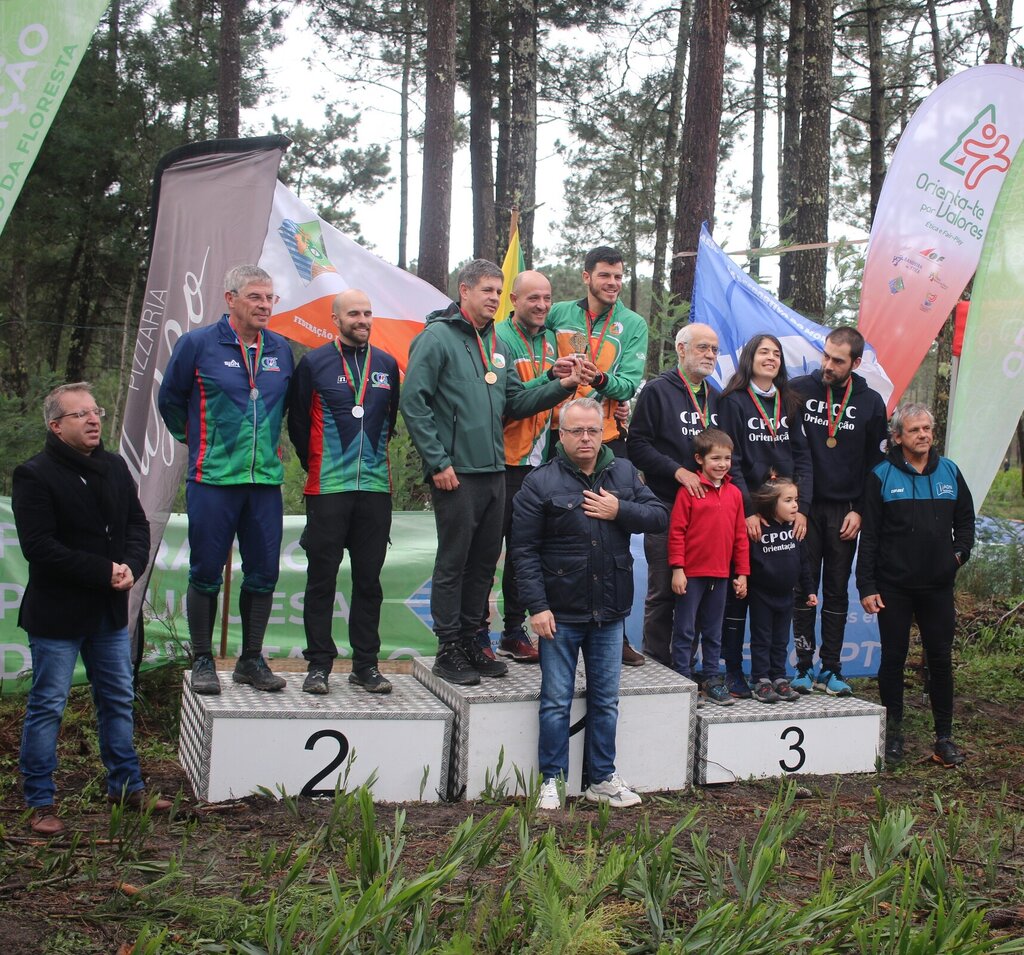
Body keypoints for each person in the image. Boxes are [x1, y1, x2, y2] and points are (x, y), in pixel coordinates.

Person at [400, 259, 585, 686]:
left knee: (484, 564)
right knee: (455, 562)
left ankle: (471, 640)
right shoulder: (436, 338)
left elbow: (515, 403)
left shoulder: (496, 344)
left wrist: (562, 387)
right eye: (487, 290)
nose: (494, 299)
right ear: (464, 290)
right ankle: (448, 647)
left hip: (494, 470)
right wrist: (437, 462)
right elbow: (414, 401)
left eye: (498, 292)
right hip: (456, 472)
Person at [13, 383, 171, 835]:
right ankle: (40, 801)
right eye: (80, 414)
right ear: (56, 426)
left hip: (107, 613)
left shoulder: (114, 466)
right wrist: (104, 570)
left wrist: (132, 566)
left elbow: (137, 525)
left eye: (95, 411)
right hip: (57, 615)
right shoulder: (34, 474)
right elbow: (39, 547)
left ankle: (126, 786)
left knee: (117, 699)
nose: (93, 419)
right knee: (49, 705)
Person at [510, 398, 668, 810]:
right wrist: (537, 607)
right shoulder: (539, 482)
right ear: (561, 435)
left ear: (603, 433)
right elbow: (523, 552)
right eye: (576, 431)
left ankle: (601, 779)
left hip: (610, 612)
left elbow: (658, 516)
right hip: (558, 614)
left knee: (606, 701)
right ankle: (551, 780)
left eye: (593, 431)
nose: (585, 438)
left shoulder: (624, 472)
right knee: (555, 702)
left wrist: (619, 509)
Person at [159, 265, 294, 695]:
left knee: (264, 573)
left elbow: (286, 406)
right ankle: (202, 659)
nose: (265, 305)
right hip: (213, 479)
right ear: (230, 299)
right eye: (256, 297)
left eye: (270, 298)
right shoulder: (197, 344)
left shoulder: (280, 348)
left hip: (264, 482)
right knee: (205, 571)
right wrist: (201, 441)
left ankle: (250, 660)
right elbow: (170, 401)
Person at [288, 289, 400, 694]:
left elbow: (390, 418)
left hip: (374, 489)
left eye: (368, 313)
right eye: (354, 313)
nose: (363, 320)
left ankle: (365, 665)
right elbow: (298, 425)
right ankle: (318, 664)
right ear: (335, 319)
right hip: (328, 488)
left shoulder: (386, 364)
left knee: (369, 582)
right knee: (321, 580)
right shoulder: (314, 363)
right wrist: (319, 464)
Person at [856, 404, 974, 768]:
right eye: (914, 430)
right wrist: (866, 585)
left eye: (927, 428)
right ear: (897, 437)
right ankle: (893, 735)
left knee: (940, 659)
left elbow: (966, 522)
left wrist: (957, 556)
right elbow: (869, 536)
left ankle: (944, 738)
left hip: (937, 587)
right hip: (894, 586)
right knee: (893, 659)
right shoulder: (880, 476)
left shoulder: (950, 471)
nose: (923, 435)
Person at [548, 245, 649, 665]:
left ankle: (616, 631)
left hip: (606, 440)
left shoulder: (633, 323)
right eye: (605, 275)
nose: (613, 283)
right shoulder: (558, 314)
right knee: (555, 534)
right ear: (586, 276)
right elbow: (534, 353)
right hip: (557, 437)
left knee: (612, 537)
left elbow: (629, 384)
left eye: (619, 276)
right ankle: (545, 626)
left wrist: (602, 379)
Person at [486, 269, 580, 663]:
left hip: (540, 462)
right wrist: (550, 380)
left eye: (546, 298)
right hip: (502, 461)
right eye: (532, 298)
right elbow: (509, 400)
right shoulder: (498, 338)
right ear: (513, 300)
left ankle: (512, 631)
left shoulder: (554, 339)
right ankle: (476, 634)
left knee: (526, 552)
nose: (541, 305)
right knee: (488, 553)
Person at [789, 327, 887, 696]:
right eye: (826, 355)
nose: (827, 365)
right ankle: (802, 666)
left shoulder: (871, 402)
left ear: (856, 363)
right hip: (804, 508)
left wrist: (860, 510)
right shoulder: (798, 389)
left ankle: (831, 668)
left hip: (845, 510)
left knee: (835, 590)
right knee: (803, 587)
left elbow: (876, 464)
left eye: (838, 360)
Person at [717, 333, 812, 698]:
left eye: (776, 353)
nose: (771, 358)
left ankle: (775, 674)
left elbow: (803, 457)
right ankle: (733, 671)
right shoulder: (733, 401)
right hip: (748, 516)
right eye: (763, 352)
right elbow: (732, 461)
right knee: (739, 594)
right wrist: (748, 510)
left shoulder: (791, 401)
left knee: (777, 598)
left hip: (784, 515)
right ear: (750, 359)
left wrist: (801, 508)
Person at [629, 322, 721, 665]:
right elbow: (637, 446)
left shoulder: (717, 397)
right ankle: (656, 664)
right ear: (681, 349)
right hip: (665, 505)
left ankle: (686, 666)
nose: (710, 355)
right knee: (665, 590)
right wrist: (676, 471)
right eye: (702, 347)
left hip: (706, 511)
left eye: (714, 349)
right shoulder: (657, 390)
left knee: (697, 592)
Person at [667, 428, 749, 704]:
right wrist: (678, 568)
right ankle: (683, 679)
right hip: (691, 574)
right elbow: (677, 532)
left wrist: (742, 573)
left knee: (714, 631)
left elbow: (740, 536)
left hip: (721, 575)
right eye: (716, 458)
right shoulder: (688, 491)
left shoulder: (735, 493)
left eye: (727, 458)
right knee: (685, 629)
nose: (722, 464)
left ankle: (712, 679)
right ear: (699, 459)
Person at [746, 477, 817, 704]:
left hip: (787, 596)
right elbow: (746, 559)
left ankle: (778, 677)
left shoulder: (795, 529)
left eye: (796, 499)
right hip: (761, 596)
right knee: (762, 639)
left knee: (780, 640)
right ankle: (760, 680)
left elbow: (803, 563)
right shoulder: (758, 529)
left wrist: (809, 590)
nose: (795, 505)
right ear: (771, 503)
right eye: (788, 500)